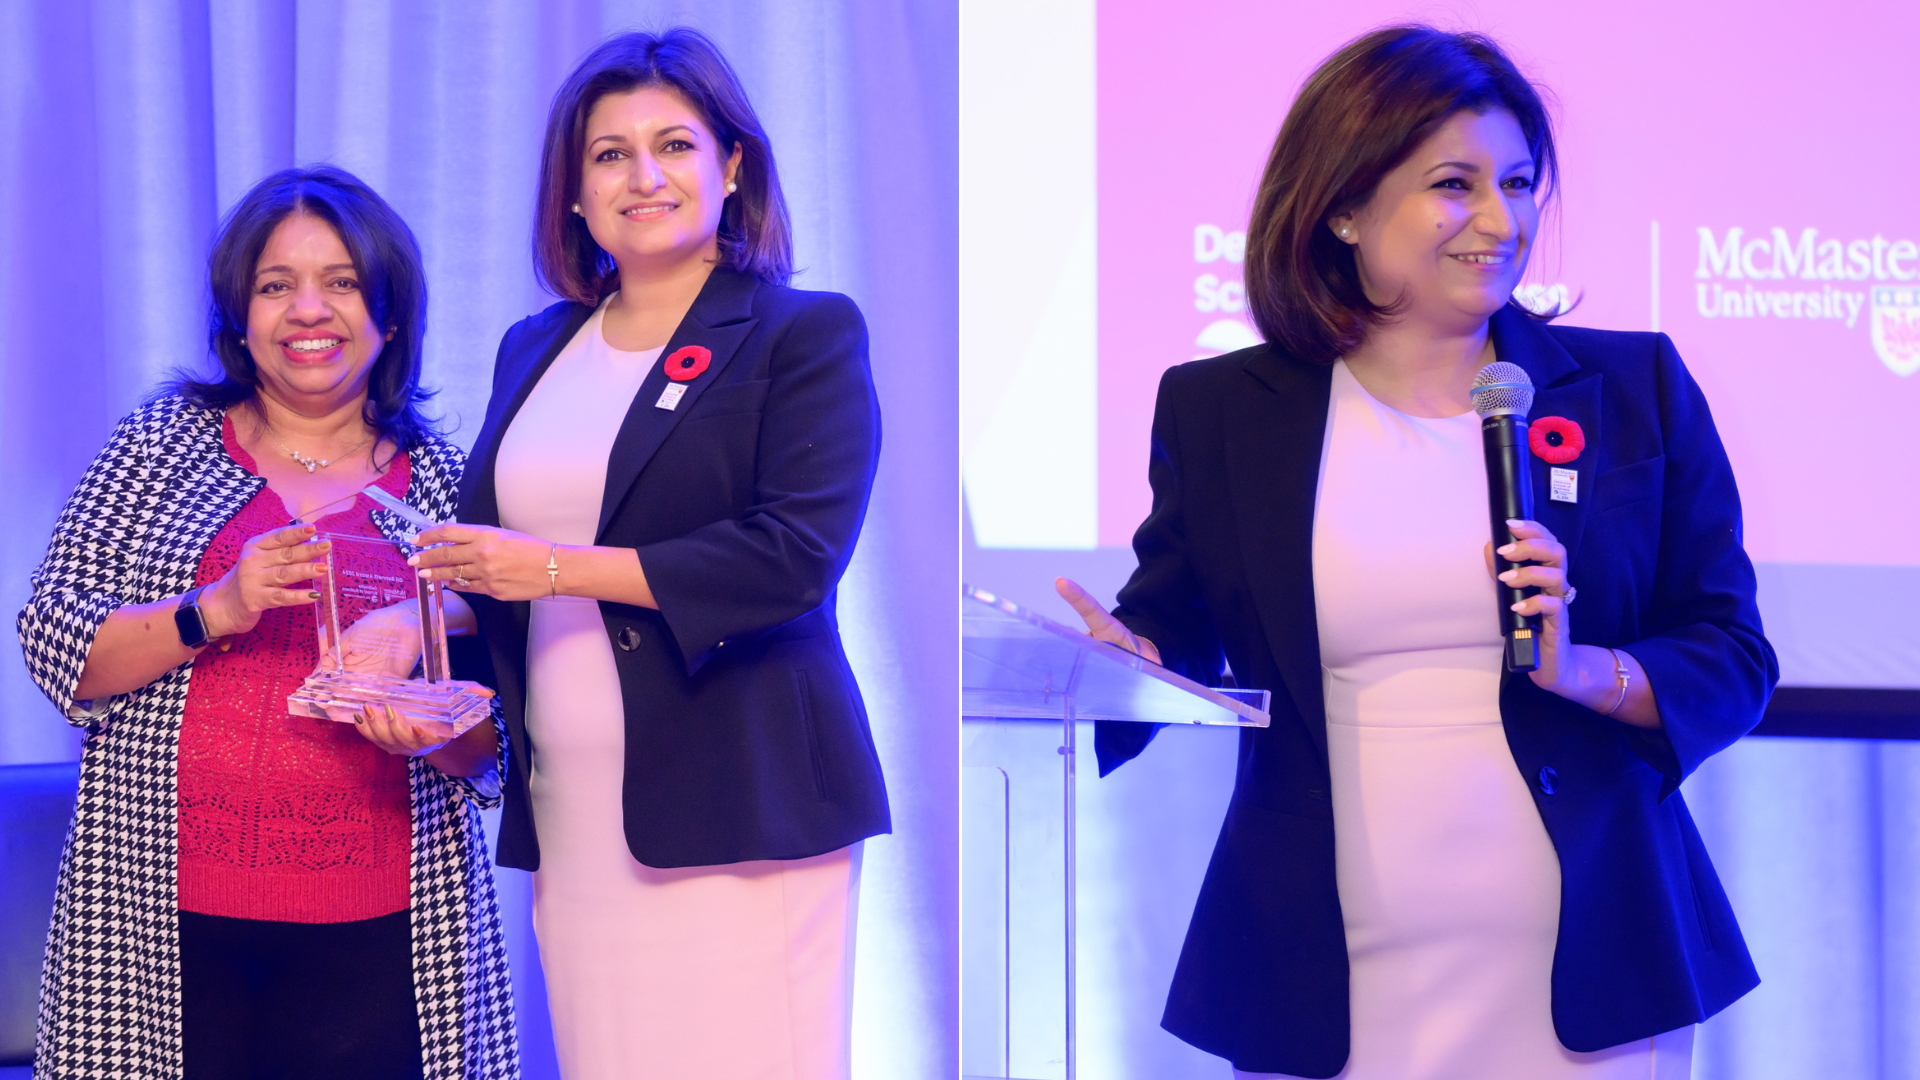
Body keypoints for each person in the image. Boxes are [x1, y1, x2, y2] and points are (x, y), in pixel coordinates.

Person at [1058, 26, 1772, 1080]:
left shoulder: (1635, 392)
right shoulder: (1224, 412)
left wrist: (1591, 671)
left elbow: (1732, 653)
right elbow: (1180, 620)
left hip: (1586, 965)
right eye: (1455, 183)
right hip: (1324, 967)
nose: (1501, 219)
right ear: (1343, 206)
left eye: (1520, 183)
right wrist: (1127, 659)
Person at [408, 28, 888, 1080]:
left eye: (674, 144)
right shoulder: (535, 346)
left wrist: (552, 568)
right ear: (574, 194)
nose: (644, 176)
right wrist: (416, 635)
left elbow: (792, 555)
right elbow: (495, 576)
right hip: (576, 812)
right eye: (609, 154)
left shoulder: (799, 335)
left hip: (743, 805)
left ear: (734, 168)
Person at [16, 166, 515, 1080]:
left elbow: (500, 745)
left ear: (390, 315)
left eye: (341, 282)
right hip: (160, 927)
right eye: (275, 285)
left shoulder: (449, 483)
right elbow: (58, 647)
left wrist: (429, 734)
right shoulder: (159, 445)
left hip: (391, 932)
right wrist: (218, 607)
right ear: (238, 320)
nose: (307, 310)